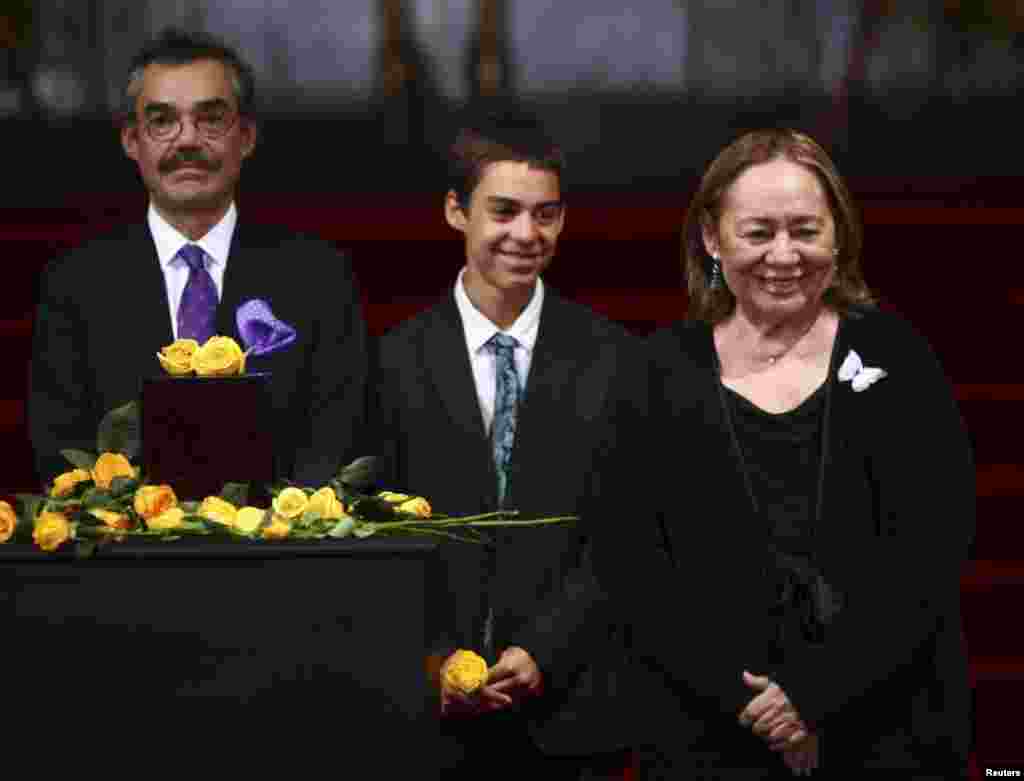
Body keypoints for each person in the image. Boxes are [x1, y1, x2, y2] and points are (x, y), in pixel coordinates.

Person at [596, 129, 975, 778]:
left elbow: (930, 552)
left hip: (886, 729)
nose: (784, 254)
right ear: (712, 239)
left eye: (805, 230)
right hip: (709, 736)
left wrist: (813, 695)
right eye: (758, 232)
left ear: (838, 235)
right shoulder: (655, 374)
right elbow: (632, 566)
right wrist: (755, 706)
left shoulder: (896, 357)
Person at [370, 111, 636, 778]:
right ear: (457, 212)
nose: (526, 234)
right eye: (505, 211)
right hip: (430, 711)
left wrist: (545, 648)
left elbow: (625, 529)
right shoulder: (391, 360)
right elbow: (372, 528)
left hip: (573, 710)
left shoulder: (615, 357)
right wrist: (434, 662)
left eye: (546, 214)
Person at [28, 28, 367, 487]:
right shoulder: (75, 283)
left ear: (246, 136)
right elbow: (60, 446)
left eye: (210, 119)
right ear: (131, 140)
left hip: (282, 550)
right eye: (162, 120)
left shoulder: (318, 276)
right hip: (126, 554)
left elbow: (335, 439)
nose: (186, 140)